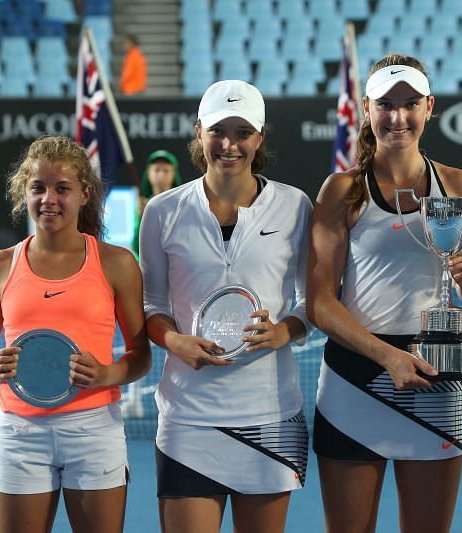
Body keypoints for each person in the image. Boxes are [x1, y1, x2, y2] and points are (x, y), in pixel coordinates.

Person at [307, 53, 462, 533]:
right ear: (367, 108)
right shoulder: (341, 189)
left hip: (436, 382)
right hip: (353, 381)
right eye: (385, 104)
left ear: (429, 107)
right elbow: (320, 301)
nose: (397, 117)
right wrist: (389, 357)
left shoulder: (459, 184)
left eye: (409, 104)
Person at [139, 80, 312, 533]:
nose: (229, 144)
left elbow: (313, 300)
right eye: (218, 130)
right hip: (187, 418)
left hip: (270, 414)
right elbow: (150, 304)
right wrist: (174, 340)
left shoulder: (295, 206)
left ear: (260, 138)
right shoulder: (162, 210)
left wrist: (286, 329)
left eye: (242, 132)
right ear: (199, 132)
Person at [0, 135, 151, 532]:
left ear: (85, 193)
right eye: (38, 187)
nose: (48, 199)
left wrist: (107, 374)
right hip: (20, 433)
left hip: (94, 429)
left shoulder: (117, 264)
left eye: (61, 188)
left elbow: (141, 354)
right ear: (24, 191)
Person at [120, 149, 182, 419]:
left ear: (173, 174)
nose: (160, 174)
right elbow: (137, 246)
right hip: (144, 283)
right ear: (148, 174)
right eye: (156, 169)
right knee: (136, 337)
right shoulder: (140, 204)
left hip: (177, 282)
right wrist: (143, 218)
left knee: (177, 336)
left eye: (166, 170)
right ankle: (133, 398)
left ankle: (181, 394)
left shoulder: (183, 203)